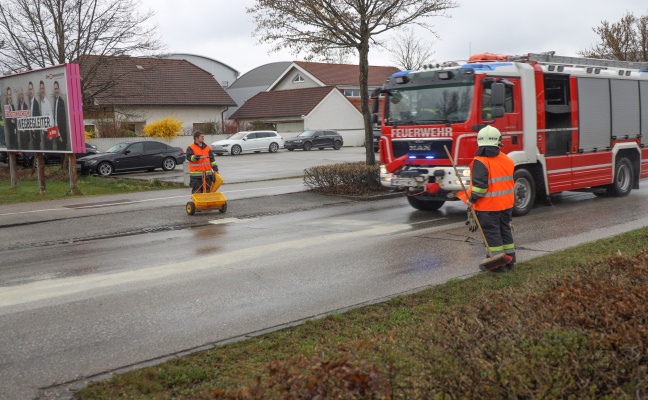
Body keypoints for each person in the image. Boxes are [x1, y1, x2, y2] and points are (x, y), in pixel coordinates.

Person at [458, 125, 516, 273]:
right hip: (506, 205)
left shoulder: (480, 161)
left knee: (492, 233)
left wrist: (472, 200)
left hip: (488, 207)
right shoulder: (507, 159)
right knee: (505, 231)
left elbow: (480, 187)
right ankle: (510, 260)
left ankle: (497, 264)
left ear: (479, 143)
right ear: (498, 142)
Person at [52, 81, 69, 151]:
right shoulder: (56, 101)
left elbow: (62, 120)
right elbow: (55, 120)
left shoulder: (61, 101)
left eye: (56, 89)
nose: (56, 90)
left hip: (61, 136)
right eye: (54, 89)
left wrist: (60, 135)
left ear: (59, 89)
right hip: (57, 134)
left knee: (63, 153)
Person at [39, 80, 54, 151]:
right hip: (44, 132)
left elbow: (51, 119)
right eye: (40, 89)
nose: (42, 90)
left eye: (43, 89)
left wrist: (50, 136)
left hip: (48, 133)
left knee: (49, 151)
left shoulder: (47, 103)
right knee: (45, 152)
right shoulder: (41, 103)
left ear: (44, 89)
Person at [27, 81, 41, 150]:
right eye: (29, 89)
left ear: (33, 90)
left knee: (38, 152)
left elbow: (37, 120)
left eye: (31, 89)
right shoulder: (31, 103)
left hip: (36, 135)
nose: (30, 91)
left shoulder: (36, 103)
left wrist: (35, 132)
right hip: (33, 134)